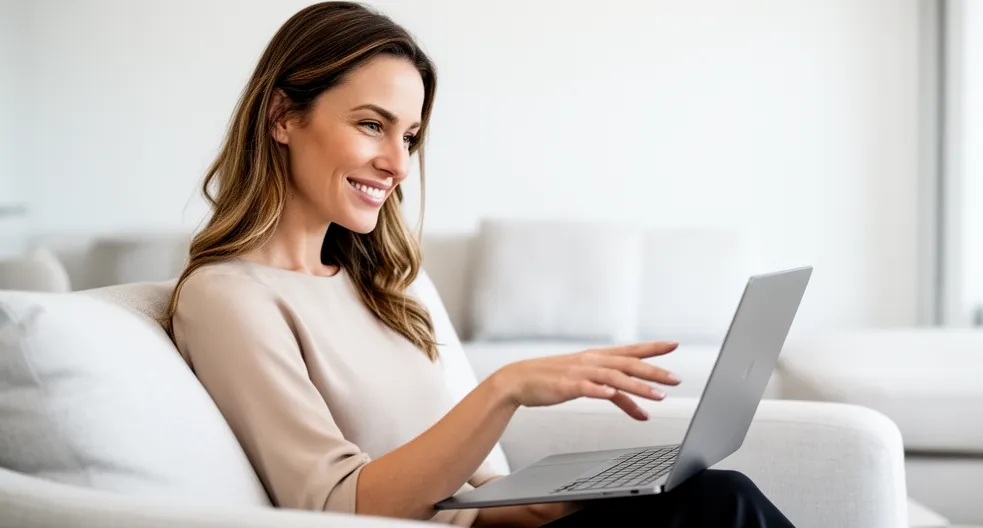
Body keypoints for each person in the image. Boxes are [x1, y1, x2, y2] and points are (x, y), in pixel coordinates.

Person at [167, 2, 796, 527]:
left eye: (409, 136)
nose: (398, 163)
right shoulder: (229, 297)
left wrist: (577, 497)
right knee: (726, 505)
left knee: (713, 493)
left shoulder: (385, 282)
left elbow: (472, 495)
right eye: (370, 125)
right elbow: (338, 506)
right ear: (282, 117)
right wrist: (506, 388)